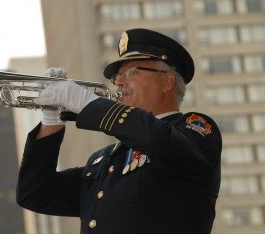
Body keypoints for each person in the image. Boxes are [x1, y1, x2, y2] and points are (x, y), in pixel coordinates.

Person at [16, 28, 222, 234]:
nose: (118, 82)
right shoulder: (105, 160)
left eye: (132, 72)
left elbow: (157, 140)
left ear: (166, 82)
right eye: (117, 77)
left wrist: (86, 102)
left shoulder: (195, 129)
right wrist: (51, 120)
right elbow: (35, 193)